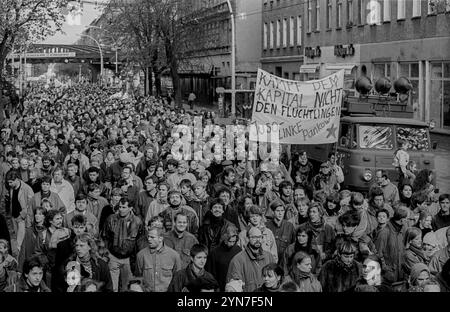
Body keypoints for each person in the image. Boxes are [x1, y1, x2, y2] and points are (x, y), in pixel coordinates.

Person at [102, 197, 143, 292]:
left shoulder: (137, 222)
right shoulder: (110, 219)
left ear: (130, 208)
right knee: (113, 288)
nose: (121, 209)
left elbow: (140, 241)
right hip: (113, 256)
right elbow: (104, 237)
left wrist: (136, 258)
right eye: (120, 207)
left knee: (127, 288)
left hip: (129, 259)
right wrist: (106, 254)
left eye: (124, 207)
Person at [226, 227, 275, 292]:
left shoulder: (269, 256)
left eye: (260, 237)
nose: (258, 240)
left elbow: (275, 281)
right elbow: (232, 288)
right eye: (254, 237)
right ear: (247, 239)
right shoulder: (237, 260)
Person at [135, 226, 182, 292]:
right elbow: (138, 278)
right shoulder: (141, 255)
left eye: (152, 237)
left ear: (160, 238)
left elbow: (177, 280)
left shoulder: (174, 256)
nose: (149, 239)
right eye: (148, 237)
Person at [375, 206, 409, 285]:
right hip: (388, 276)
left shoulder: (401, 230)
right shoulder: (385, 232)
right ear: (402, 219)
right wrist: (385, 268)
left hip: (399, 274)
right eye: (407, 218)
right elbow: (377, 253)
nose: (407, 221)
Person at [5, 170, 34, 253]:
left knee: (20, 242)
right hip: (14, 216)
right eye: (8, 182)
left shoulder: (27, 189)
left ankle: (21, 256)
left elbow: (29, 206)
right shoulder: (12, 187)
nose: (9, 184)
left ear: (17, 179)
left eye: (11, 182)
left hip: (22, 218)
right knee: (17, 237)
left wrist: (21, 216)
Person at [206, 225, 241, 291]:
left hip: (235, 286)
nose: (232, 244)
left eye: (234, 241)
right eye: (230, 241)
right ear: (225, 240)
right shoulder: (215, 253)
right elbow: (210, 273)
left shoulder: (238, 250)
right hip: (220, 286)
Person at [265, 199, 296, 263]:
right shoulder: (266, 226)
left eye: (282, 211)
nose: (280, 213)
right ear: (273, 212)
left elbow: (294, 244)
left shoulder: (289, 226)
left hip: (285, 262)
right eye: (278, 211)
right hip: (270, 261)